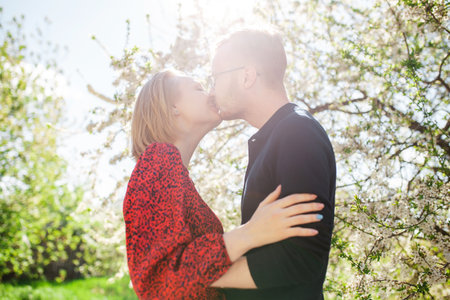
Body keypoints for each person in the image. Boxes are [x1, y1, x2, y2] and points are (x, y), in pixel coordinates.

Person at [123, 70, 326, 299]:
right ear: (172, 108)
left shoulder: (176, 173)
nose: (210, 93)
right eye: (198, 88)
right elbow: (158, 283)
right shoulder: (159, 158)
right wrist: (250, 233)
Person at [209, 29, 336, 299]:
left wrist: (205, 275)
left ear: (247, 75)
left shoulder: (296, 132)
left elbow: (303, 255)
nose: (212, 90)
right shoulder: (278, 134)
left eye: (215, 77)